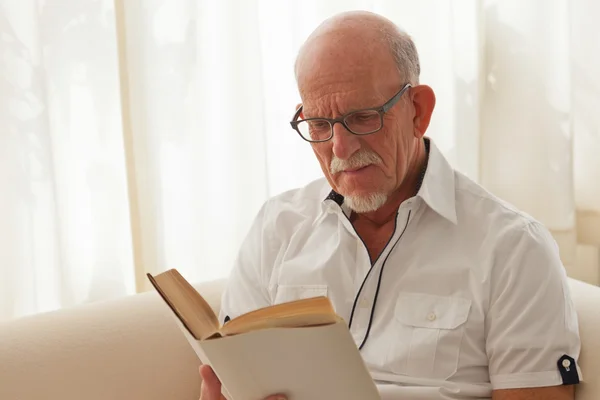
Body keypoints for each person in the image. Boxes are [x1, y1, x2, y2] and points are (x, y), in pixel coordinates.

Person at [198, 10, 582, 400]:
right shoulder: (276, 229)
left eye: (362, 118)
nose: (340, 148)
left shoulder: (514, 247)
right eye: (318, 125)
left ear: (418, 110)